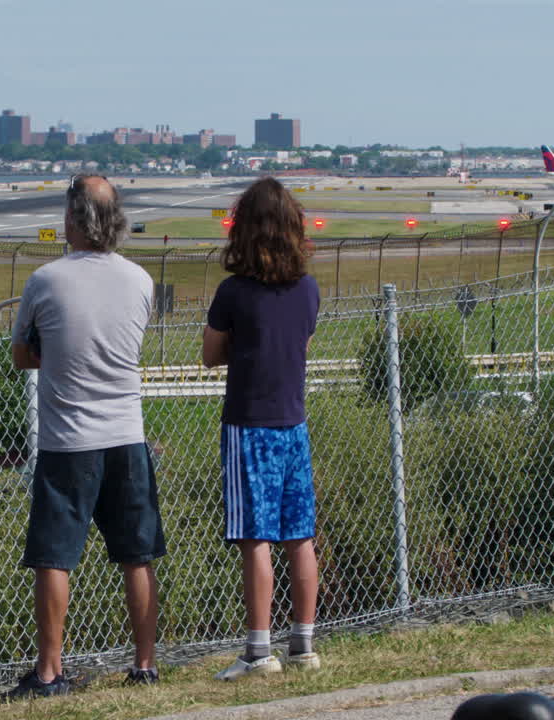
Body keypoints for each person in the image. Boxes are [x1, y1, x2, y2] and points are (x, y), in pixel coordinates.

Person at [3, 174, 166, 700]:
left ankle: (50, 671)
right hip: (126, 433)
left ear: (73, 219)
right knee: (136, 554)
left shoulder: (45, 281)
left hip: (68, 440)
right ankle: (145, 665)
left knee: (53, 557)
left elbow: (24, 354)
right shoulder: (141, 281)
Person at [201, 176, 321, 681]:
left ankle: (257, 651)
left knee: (255, 537)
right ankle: (304, 644)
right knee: (300, 535)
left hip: (249, 425)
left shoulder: (233, 292)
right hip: (293, 422)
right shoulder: (309, 289)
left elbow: (210, 355)